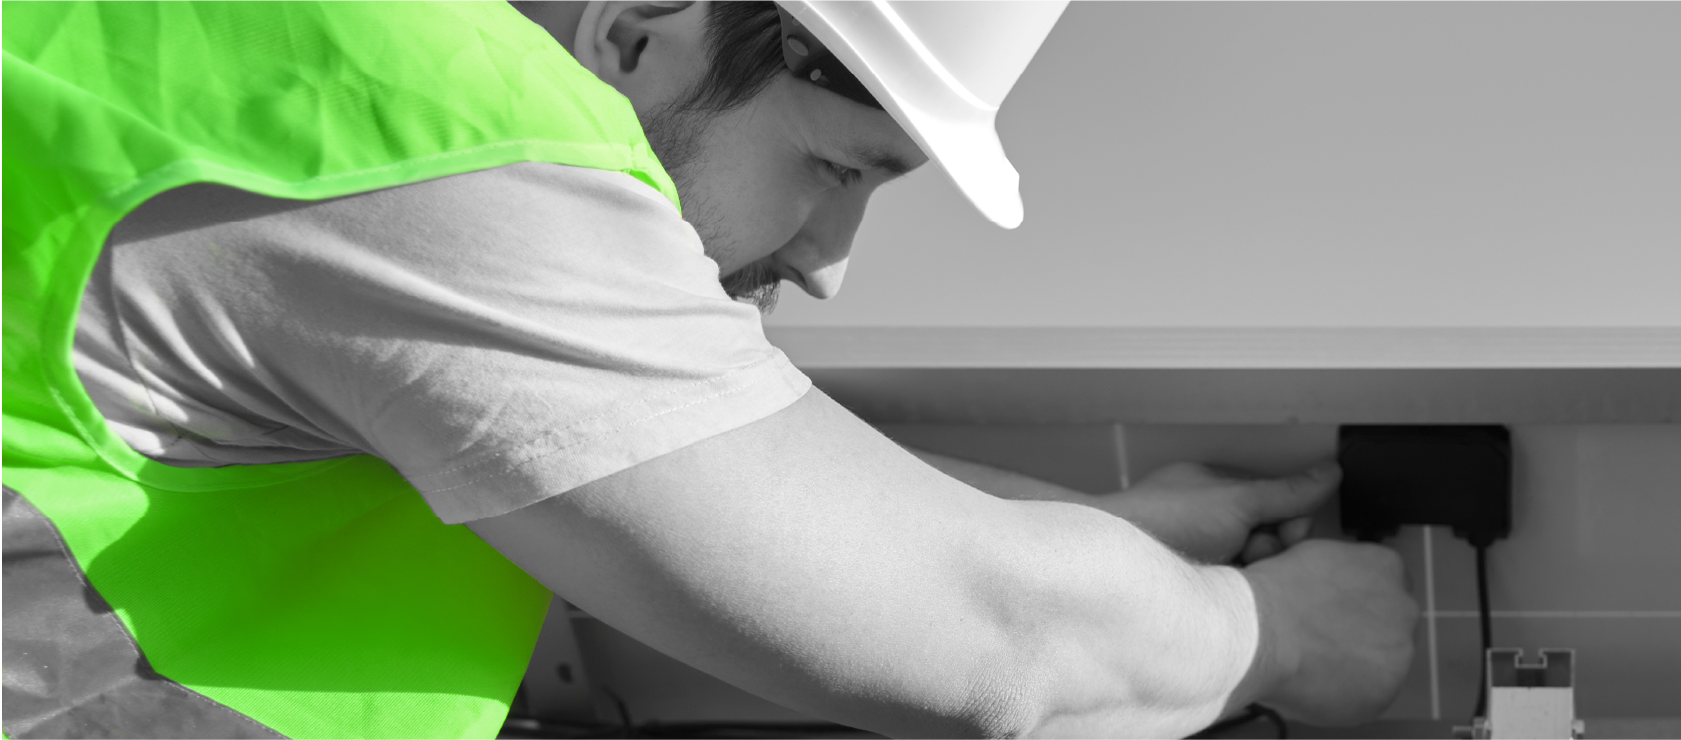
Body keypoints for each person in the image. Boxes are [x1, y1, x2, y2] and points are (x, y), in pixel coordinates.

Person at [1, 0, 1419, 738]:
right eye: (832, 169)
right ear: (637, 25)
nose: (830, 258)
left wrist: (1108, 537)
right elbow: (1007, 654)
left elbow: (657, 562)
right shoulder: (435, 126)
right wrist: (1274, 634)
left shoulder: (275, 65)